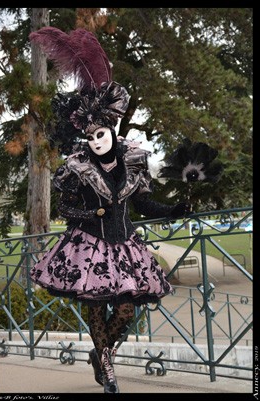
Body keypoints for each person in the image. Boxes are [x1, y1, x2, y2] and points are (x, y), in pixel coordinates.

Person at [29, 27, 191, 394]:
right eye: (89, 137)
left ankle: (98, 357)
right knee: (94, 311)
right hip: (87, 249)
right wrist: (92, 216)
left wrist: (174, 210)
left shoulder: (132, 162)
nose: (95, 142)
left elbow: (144, 204)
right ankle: (108, 370)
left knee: (124, 312)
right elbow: (65, 207)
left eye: (100, 135)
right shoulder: (76, 166)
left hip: (125, 248)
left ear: (112, 131)